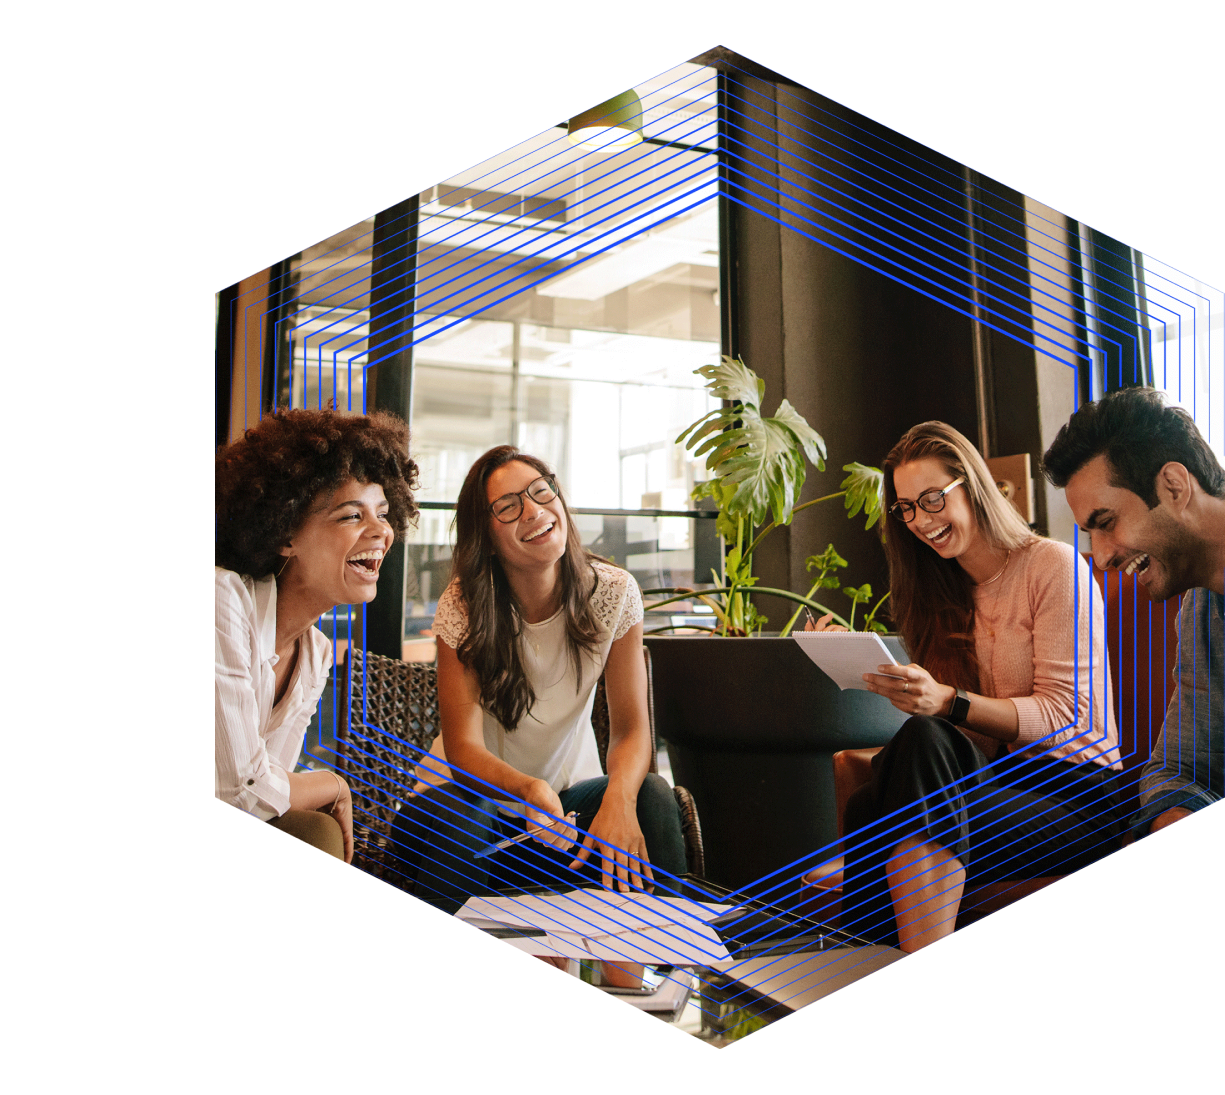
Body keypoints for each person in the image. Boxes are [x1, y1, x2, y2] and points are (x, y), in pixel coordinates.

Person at [809, 421, 1124, 952]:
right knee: (888, 784)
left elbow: (1068, 719)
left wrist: (948, 703)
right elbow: (965, 741)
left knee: (893, 785)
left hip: (1077, 798)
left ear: (970, 485)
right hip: (999, 782)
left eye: (931, 499)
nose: (920, 520)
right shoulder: (937, 594)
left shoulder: (1053, 566)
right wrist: (886, 678)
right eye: (906, 508)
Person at [395, 446, 687, 983]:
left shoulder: (614, 593)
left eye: (540, 491)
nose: (533, 511)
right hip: (458, 812)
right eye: (507, 506)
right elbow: (462, 748)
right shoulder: (464, 605)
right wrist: (528, 790)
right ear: (485, 534)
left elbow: (631, 728)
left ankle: (650, 984)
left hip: (559, 817)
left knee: (650, 797)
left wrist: (618, 799)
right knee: (468, 818)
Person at [215, 408, 420, 863]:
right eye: (351, 516)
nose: (381, 532)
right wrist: (333, 783)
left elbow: (268, 801)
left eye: (383, 514)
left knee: (315, 829)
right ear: (285, 532)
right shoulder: (222, 602)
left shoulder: (315, 654)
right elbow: (241, 791)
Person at [1041, 387, 1223, 838]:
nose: (1100, 558)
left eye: (1106, 524)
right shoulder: (1200, 609)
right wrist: (1176, 814)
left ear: (1175, 487)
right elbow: (1178, 768)